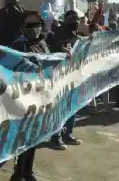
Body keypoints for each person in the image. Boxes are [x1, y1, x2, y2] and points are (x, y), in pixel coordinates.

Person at [10, 10, 51, 180]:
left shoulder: (42, 44)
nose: (34, 28)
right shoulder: (19, 46)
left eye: (37, 24)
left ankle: (27, 171)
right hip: (24, 99)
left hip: (40, 97)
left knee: (34, 138)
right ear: (22, 27)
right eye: (30, 25)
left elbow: (50, 62)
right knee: (24, 139)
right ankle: (19, 173)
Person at [46, 9, 84, 149]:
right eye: (72, 19)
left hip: (72, 75)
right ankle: (56, 137)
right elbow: (51, 51)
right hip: (59, 76)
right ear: (66, 20)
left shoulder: (76, 34)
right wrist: (63, 50)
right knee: (60, 108)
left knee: (72, 106)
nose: (75, 22)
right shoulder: (58, 34)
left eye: (76, 19)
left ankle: (68, 133)